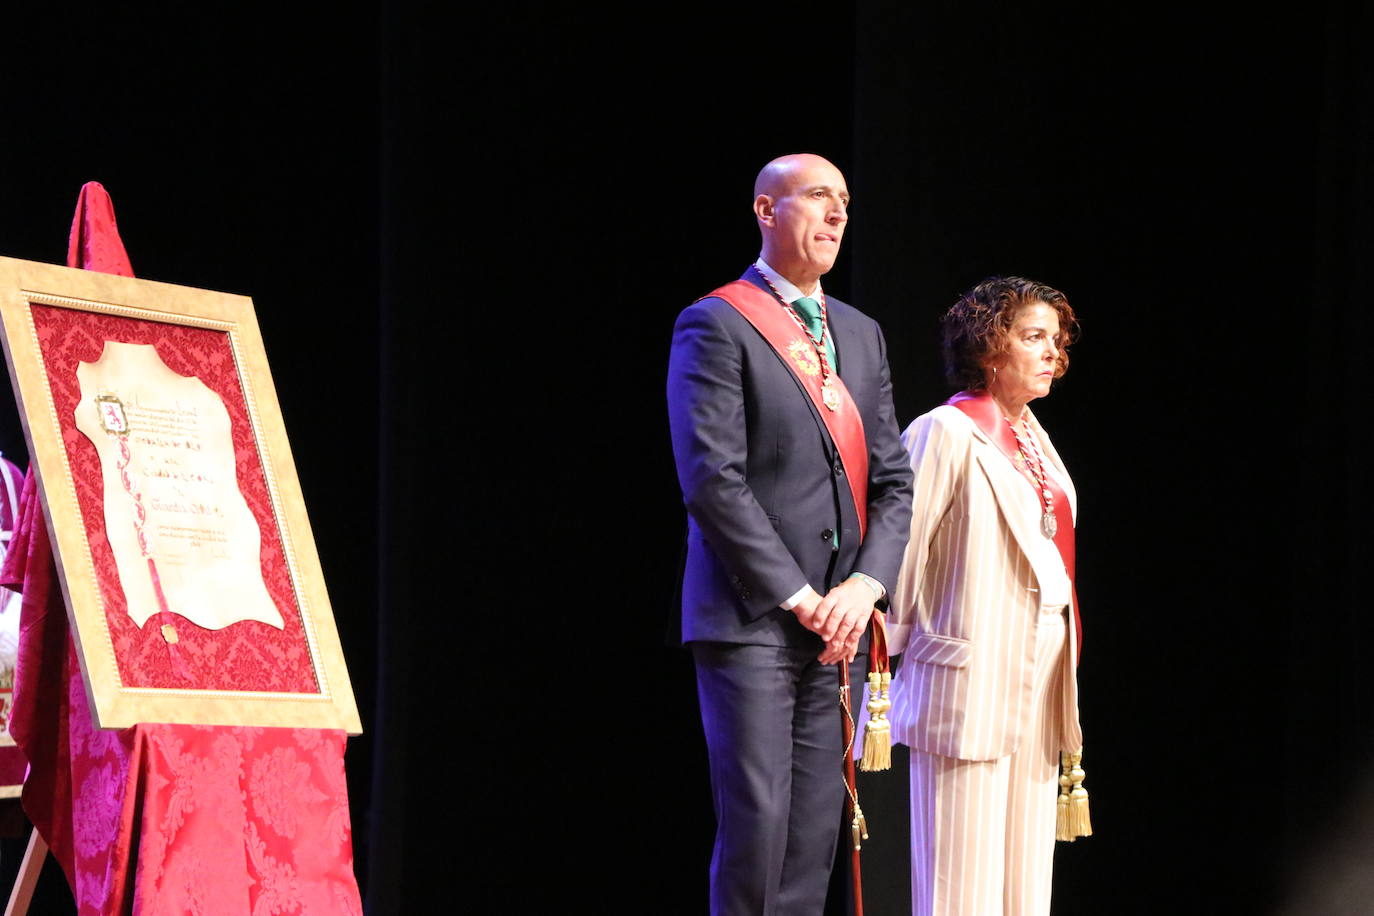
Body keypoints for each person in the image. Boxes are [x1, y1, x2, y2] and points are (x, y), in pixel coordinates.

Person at [667, 153, 913, 916]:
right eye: (816, 197)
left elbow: (894, 481)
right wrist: (803, 596)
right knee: (759, 830)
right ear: (766, 211)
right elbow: (713, 478)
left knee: (814, 838)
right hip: (754, 619)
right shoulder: (717, 321)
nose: (837, 213)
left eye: (844, 200)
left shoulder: (860, 333)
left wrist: (864, 587)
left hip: (838, 626)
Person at [887, 276, 1088, 916]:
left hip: (1040, 682)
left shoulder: (1037, 438)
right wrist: (879, 675)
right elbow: (901, 557)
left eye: (1055, 341)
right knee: (959, 888)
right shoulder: (943, 430)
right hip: (965, 688)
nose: (1052, 353)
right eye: (1034, 338)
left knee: (1025, 889)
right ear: (989, 347)